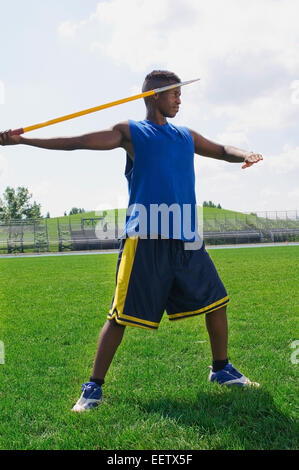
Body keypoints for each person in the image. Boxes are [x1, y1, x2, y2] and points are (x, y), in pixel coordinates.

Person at [0, 70, 262, 412]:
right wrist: (25, 141)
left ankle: (221, 369)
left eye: (181, 95)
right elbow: (78, 141)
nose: (180, 100)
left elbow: (222, 149)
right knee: (119, 316)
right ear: (154, 96)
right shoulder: (131, 133)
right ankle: (93, 387)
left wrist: (245, 154)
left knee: (217, 302)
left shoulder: (186, 136)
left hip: (186, 238)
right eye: (175, 94)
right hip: (146, 239)